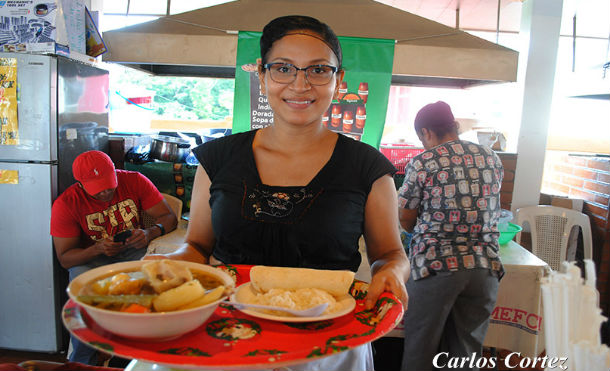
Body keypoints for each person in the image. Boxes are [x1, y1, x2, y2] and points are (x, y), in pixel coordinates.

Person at [145, 15, 409, 371]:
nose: (300, 85)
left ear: (338, 80)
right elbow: (198, 247)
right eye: (284, 68)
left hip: (328, 344)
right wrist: (175, 261)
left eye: (318, 70)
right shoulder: (219, 158)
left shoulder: (367, 166)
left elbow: (390, 253)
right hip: (225, 337)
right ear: (262, 75)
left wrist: (392, 271)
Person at [397, 101, 504, 371]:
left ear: (426, 132)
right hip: (484, 268)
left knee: (420, 350)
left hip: (436, 265)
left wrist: (415, 230)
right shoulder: (491, 157)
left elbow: (404, 216)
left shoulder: (423, 161)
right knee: (465, 354)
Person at [51, 150, 178, 365]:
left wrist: (149, 233)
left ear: (115, 172)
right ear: (80, 184)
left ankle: (134, 358)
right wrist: (97, 249)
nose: (106, 192)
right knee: (82, 298)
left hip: (135, 251)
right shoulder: (66, 204)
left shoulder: (135, 180)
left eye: (109, 184)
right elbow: (65, 259)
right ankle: (83, 361)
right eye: (97, 190)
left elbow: (169, 217)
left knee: (153, 288)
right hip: (91, 258)